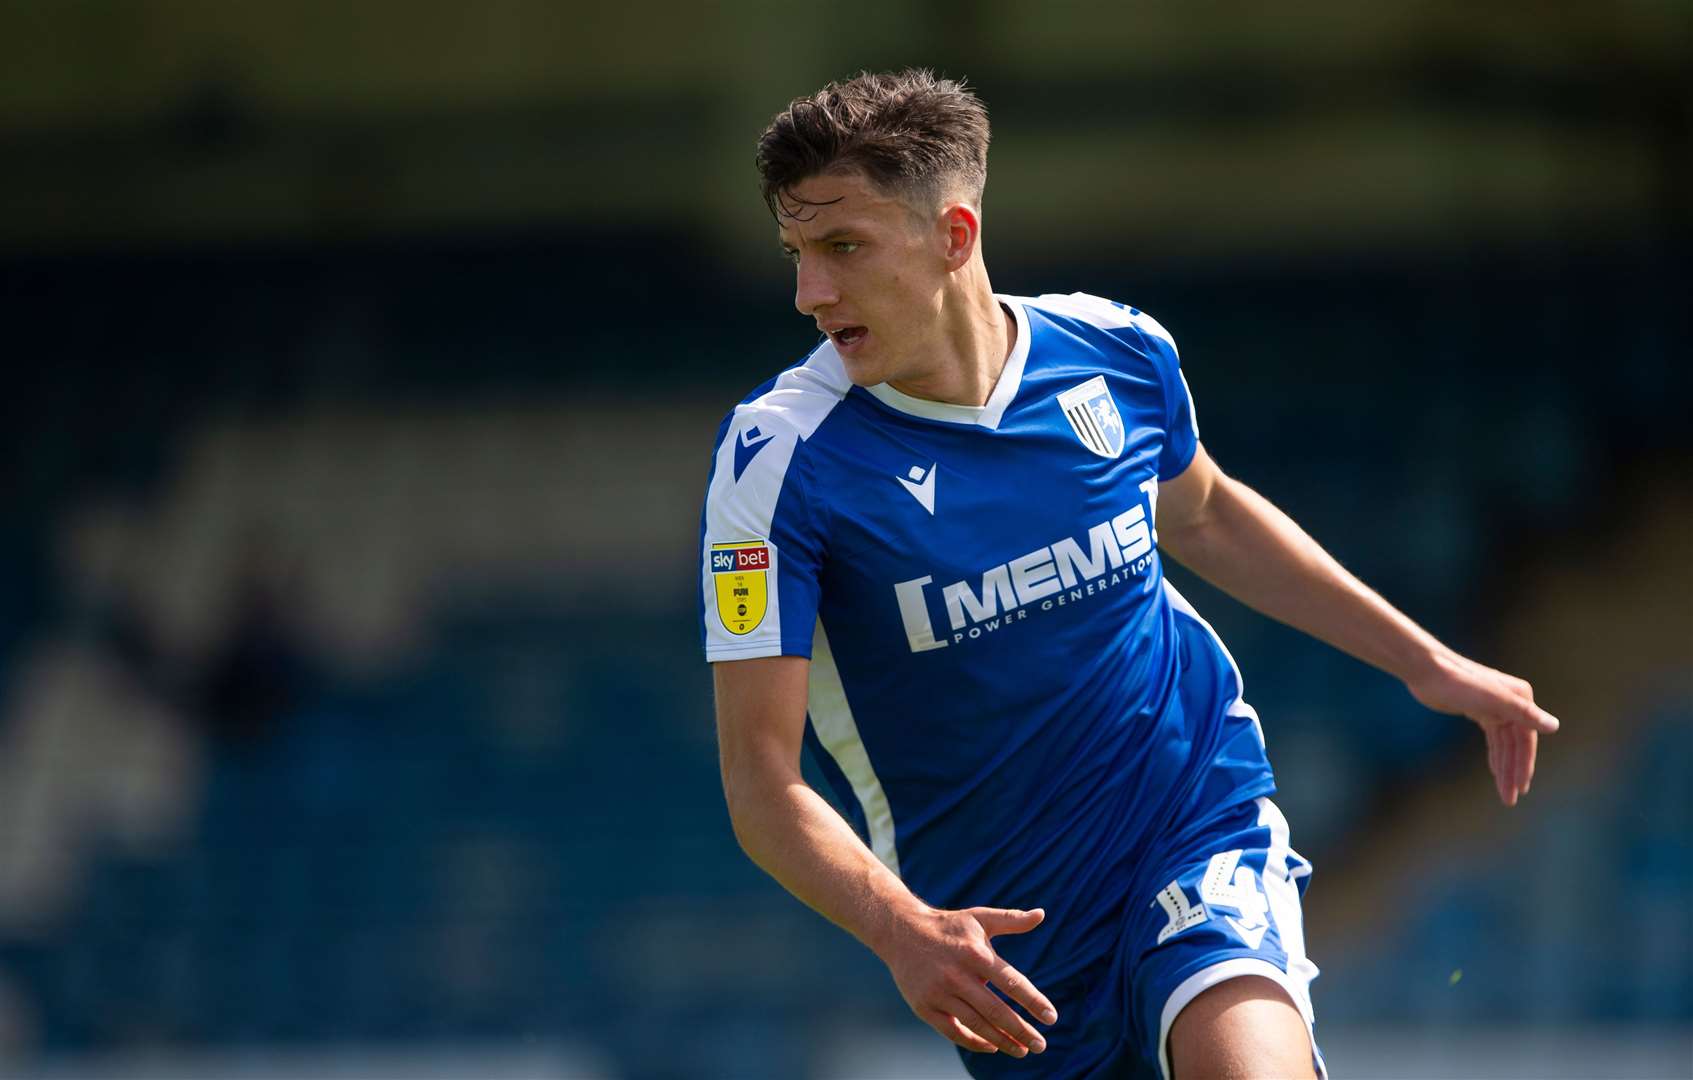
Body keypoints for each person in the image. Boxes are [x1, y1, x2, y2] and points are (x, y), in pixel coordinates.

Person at [698, 69, 1558, 1079]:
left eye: (843, 247)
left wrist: (1422, 662)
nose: (810, 294)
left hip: (1190, 816)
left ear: (954, 235)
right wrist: (899, 929)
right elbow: (761, 782)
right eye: (797, 255)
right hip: (1008, 944)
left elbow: (1204, 512)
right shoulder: (777, 461)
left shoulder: (1113, 350)